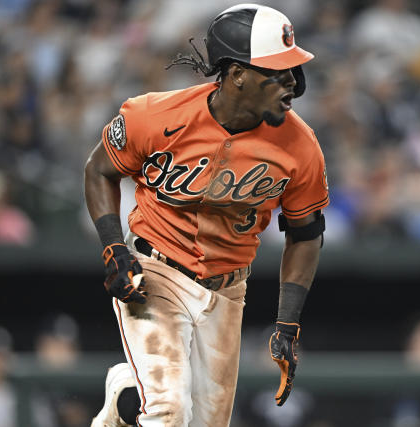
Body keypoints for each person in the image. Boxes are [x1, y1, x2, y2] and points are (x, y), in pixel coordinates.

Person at [84, 4, 328, 427]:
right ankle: (142, 398)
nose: (291, 82)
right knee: (169, 413)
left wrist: (287, 324)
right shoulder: (156, 116)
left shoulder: (301, 146)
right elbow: (99, 170)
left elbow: (305, 235)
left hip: (228, 290)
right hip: (155, 270)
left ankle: (126, 398)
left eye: (291, 70)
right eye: (277, 72)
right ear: (236, 75)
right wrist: (113, 247)